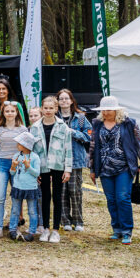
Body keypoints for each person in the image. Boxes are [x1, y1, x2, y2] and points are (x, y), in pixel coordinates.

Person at [89, 96, 140, 245]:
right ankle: (117, 228)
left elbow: (139, 143)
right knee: (111, 199)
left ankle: (127, 230)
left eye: (109, 110)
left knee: (122, 198)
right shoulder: (97, 123)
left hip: (124, 166)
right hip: (104, 166)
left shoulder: (129, 123)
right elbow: (93, 146)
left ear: (117, 110)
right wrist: (92, 168)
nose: (106, 113)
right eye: (103, 110)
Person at [29, 95, 73, 243]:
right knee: (45, 197)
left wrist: (68, 169)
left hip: (58, 165)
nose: (48, 111)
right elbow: (31, 150)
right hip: (41, 166)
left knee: (57, 197)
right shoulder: (34, 128)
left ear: (56, 109)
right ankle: (45, 228)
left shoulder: (63, 127)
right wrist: (34, 170)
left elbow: (68, 149)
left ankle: (55, 230)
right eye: (45, 108)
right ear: (42, 109)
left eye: (51, 108)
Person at [0, 103, 25, 239]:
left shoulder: (23, 129)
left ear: (16, 113)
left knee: (16, 196)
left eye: (12, 111)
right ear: (3, 113)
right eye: (7, 111)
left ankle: (14, 227)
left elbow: (26, 151)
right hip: (2, 164)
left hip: (17, 164)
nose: (9, 113)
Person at [57, 88, 91, 232]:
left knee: (75, 191)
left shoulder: (81, 118)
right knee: (62, 192)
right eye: (61, 99)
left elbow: (89, 136)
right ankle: (65, 220)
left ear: (71, 101)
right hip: (58, 160)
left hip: (76, 159)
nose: (64, 101)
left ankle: (78, 221)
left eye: (66, 98)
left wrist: (74, 133)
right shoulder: (54, 117)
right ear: (57, 102)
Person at [7, 131, 41, 242]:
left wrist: (28, 166)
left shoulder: (35, 158)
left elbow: (36, 173)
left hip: (31, 188)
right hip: (18, 187)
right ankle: (12, 229)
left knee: (32, 211)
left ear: (26, 145)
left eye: (19, 143)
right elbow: (12, 173)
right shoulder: (16, 156)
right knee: (15, 210)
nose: (17, 145)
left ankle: (32, 232)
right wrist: (13, 166)